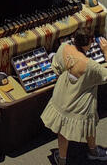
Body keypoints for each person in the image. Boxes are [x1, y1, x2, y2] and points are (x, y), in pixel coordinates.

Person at [41, 30, 107, 165]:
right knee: (89, 125)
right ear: (89, 43)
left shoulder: (63, 47)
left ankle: (62, 159)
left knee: (62, 131)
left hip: (62, 96)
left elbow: (56, 67)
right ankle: (93, 152)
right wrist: (106, 52)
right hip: (81, 102)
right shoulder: (92, 66)